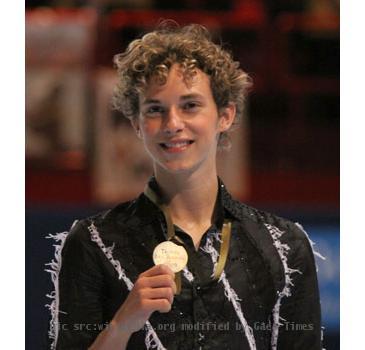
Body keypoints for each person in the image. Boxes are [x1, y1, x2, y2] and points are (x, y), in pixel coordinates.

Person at [46, 23, 323, 350]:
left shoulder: (284, 246)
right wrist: (122, 325)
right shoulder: (93, 242)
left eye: (190, 105)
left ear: (225, 116)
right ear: (136, 123)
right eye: (155, 110)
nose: (173, 124)